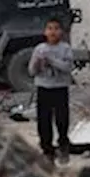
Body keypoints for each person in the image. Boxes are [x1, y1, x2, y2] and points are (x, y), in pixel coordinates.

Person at [29, 17, 74, 163]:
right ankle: (47, 150)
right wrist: (37, 63)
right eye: (49, 28)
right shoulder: (39, 49)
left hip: (60, 88)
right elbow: (31, 71)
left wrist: (52, 61)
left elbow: (68, 68)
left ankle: (63, 146)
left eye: (56, 28)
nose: (52, 31)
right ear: (45, 32)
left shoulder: (65, 48)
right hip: (43, 88)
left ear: (61, 32)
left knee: (62, 120)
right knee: (43, 121)